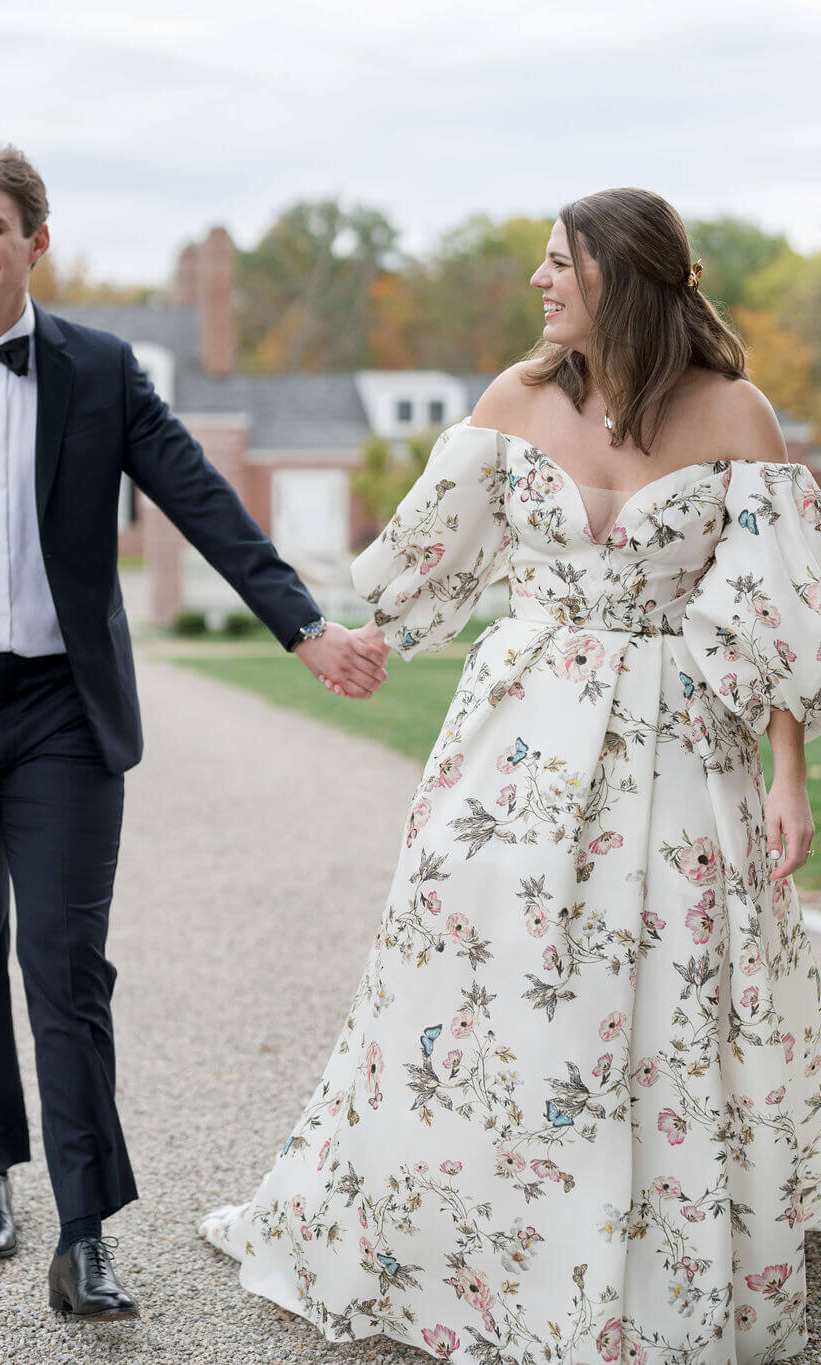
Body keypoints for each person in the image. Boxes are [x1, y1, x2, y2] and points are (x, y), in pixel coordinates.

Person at [200, 187, 821, 1361]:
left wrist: (788, 779)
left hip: (682, 739)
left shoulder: (739, 415)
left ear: (621, 279)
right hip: (517, 740)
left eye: (557, 264)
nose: (538, 283)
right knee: (492, 978)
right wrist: (354, 634)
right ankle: (465, 1248)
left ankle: (647, 1259)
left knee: (667, 992)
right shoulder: (514, 400)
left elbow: (777, 615)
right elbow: (421, 561)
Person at [0, 141, 388, 1323]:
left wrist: (304, 628)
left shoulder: (103, 370)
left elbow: (205, 503)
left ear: (35, 242)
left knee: (66, 966)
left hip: (64, 710)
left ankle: (86, 1232)